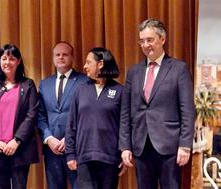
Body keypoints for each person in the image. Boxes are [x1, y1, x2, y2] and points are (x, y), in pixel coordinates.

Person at [119, 18, 196, 189]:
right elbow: (125, 112)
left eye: (150, 40)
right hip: (140, 146)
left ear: (162, 39)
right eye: (142, 41)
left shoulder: (178, 69)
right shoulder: (134, 72)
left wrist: (185, 145)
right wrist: (125, 146)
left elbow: (188, 110)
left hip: (170, 147)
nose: (146, 45)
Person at [0, 44, 39, 189]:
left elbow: (31, 115)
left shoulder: (28, 85)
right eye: (4, 58)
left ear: (18, 61)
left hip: (20, 149)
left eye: (12, 59)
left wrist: (16, 140)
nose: (7, 62)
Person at [65, 47, 123, 189]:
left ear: (100, 64)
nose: (84, 66)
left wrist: (123, 153)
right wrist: (70, 154)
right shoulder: (80, 90)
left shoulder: (120, 90)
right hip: (84, 157)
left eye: (88, 62)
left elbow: (125, 125)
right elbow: (71, 124)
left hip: (110, 157)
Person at [37, 41, 87, 189]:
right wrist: (48, 138)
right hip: (51, 149)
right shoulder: (45, 83)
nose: (61, 57)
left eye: (65, 54)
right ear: (53, 58)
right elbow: (40, 115)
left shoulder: (84, 81)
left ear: (72, 57)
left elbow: (86, 115)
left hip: (76, 148)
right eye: (57, 55)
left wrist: (69, 138)